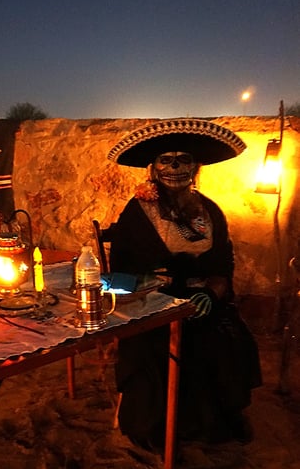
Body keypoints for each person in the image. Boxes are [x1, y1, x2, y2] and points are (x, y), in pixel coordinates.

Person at [107, 119, 262, 449]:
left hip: (201, 301)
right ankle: (164, 426)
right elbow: (120, 267)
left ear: (196, 166)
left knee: (226, 340)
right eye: (166, 159)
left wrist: (210, 292)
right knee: (156, 349)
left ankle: (219, 418)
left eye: (184, 159)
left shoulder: (210, 211)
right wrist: (148, 282)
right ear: (154, 167)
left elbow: (223, 265)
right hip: (153, 304)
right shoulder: (138, 210)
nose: (175, 167)